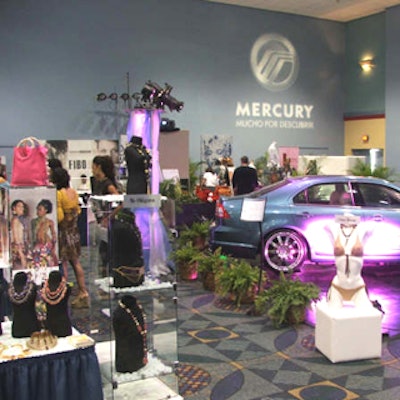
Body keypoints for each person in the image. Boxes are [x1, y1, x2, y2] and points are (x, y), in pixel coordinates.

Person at [52, 167, 89, 308]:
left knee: (64, 264)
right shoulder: (73, 192)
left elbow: (60, 216)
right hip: (74, 232)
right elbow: (78, 211)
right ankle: (83, 291)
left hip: (63, 233)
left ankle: (64, 295)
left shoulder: (59, 194)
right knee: (76, 262)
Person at [325, 214, 373, 309]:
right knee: (333, 318)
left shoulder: (363, 229)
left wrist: (356, 221)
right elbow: (325, 226)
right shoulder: (333, 228)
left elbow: (372, 227)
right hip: (337, 287)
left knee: (367, 317)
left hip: (358, 287)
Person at [31, 199, 59, 268]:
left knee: (48, 262)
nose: (37, 211)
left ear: (46, 210)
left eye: (40, 209)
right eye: (37, 209)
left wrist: (53, 247)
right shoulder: (33, 221)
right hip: (37, 244)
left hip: (47, 244)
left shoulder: (49, 222)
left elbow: (54, 235)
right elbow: (32, 234)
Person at [10, 199, 30, 269]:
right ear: (14, 208)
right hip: (18, 250)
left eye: (22, 206)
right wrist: (21, 254)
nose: (22, 208)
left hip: (22, 248)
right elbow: (16, 238)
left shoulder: (20, 219)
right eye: (19, 206)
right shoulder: (15, 220)